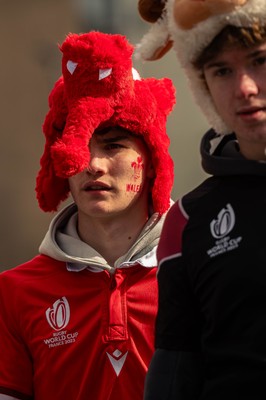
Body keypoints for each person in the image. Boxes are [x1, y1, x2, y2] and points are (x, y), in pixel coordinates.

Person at [0, 31, 176, 400]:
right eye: (77, 145)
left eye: (113, 145)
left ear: (153, 158)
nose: (92, 164)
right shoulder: (13, 293)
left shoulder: (198, 271)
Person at [135, 0, 266, 398]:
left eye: (259, 61)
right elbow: (175, 371)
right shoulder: (189, 219)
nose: (244, 87)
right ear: (203, 85)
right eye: (222, 70)